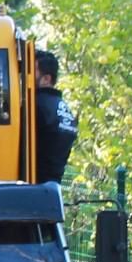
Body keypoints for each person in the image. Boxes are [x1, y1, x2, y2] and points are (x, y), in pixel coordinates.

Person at [34, 47, 79, 187]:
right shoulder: (64, 109)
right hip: (53, 188)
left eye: (30, 71)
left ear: (46, 79)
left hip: (33, 188)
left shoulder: (36, 104)